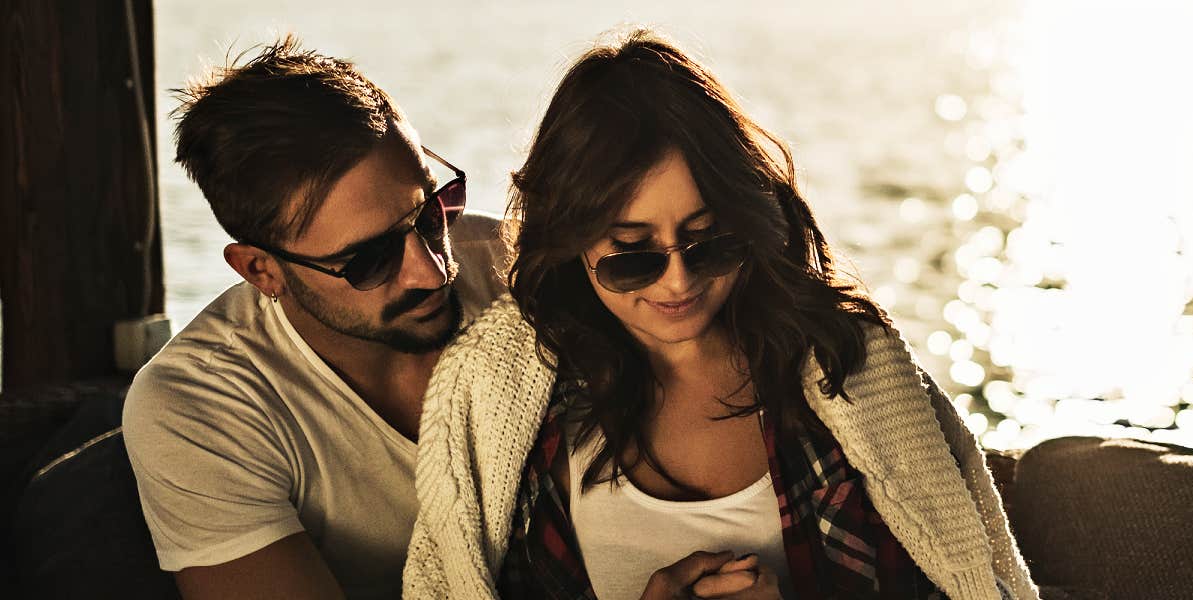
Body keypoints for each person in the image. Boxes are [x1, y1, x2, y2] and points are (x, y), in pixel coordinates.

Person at [404, 30, 1039, 600]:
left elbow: (968, 582)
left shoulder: (853, 368)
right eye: (632, 256)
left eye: (710, 241)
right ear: (573, 243)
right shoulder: (493, 397)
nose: (679, 281)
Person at [121, 37, 506, 599]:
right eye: (368, 260)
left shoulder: (511, 263)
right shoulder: (199, 405)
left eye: (432, 212)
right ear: (261, 270)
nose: (431, 271)